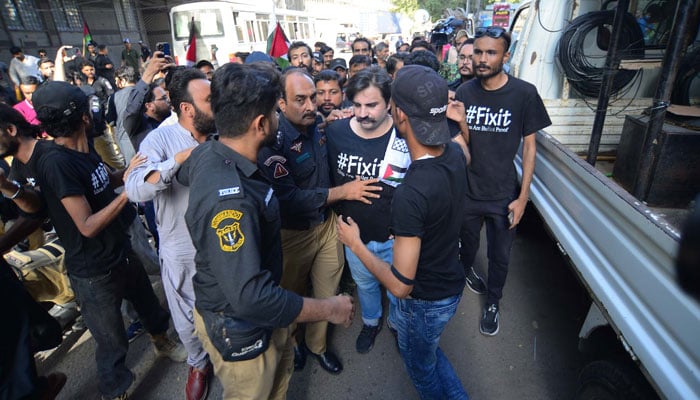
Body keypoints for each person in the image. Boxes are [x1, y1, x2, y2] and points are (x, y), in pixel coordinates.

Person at [177, 61, 354, 400]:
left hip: (257, 316)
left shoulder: (209, 153)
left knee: (278, 384)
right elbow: (251, 298)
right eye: (275, 111)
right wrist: (330, 308)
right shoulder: (233, 202)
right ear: (261, 123)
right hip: (241, 328)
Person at [32, 81, 185, 400]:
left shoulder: (81, 149)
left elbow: (101, 182)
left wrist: (125, 173)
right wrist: (129, 194)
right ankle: (115, 389)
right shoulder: (58, 163)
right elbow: (86, 225)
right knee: (111, 338)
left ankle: (162, 342)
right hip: (94, 270)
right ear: (85, 117)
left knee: (148, 305)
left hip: (120, 252)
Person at [337, 64, 469, 399]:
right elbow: (466, 154)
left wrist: (355, 244)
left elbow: (399, 286)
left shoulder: (412, 192)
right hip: (450, 283)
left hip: (425, 301)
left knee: (420, 369)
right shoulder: (453, 153)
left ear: (400, 116)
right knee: (431, 355)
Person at [257, 69, 380, 375]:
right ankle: (296, 346)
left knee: (327, 294)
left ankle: (318, 347)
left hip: (326, 227)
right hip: (291, 235)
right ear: (281, 104)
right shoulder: (271, 142)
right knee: (294, 298)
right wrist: (344, 191)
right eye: (301, 99)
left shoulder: (321, 125)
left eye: (313, 97)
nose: (312, 105)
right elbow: (289, 198)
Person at [125, 68, 215, 400]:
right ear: (188, 108)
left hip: (224, 239)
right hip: (182, 246)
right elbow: (135, 188)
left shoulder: (223, 131)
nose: (217, 103)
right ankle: (199, 364)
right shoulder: (159, 139)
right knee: (188, 321)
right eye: (209, 99)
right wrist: (177, 160)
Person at [455, 26, 551, 336]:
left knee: (500, 255)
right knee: (466, 246)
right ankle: (466, 272)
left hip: (503, 194)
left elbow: (530, 149)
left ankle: (493, 301)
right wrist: (460, 124)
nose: (481, 59)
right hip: (469, 191)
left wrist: (523, 199)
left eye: (490, 53)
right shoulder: (466, 92)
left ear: (505, 56)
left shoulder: (523, 93)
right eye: (478, 52)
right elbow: (464, 143)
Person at [326, 67, 410, 354]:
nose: (363, 113)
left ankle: (398, 326)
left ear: (388, 103)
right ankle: (371, 322)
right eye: (357, 105)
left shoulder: (405, 134)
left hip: (396, 239)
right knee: (365, 285)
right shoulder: (335, 132)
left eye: (372, 105)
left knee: (399, 291)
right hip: (354, 237)